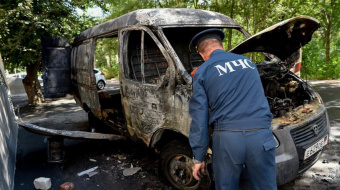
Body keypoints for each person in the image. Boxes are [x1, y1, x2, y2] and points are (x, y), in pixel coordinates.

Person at [188, 28, 278, 190]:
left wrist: (198, 157)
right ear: (222, 46)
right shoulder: (248, 63)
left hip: (228, 141)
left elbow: (199, 119)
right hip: (261, 138)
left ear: (202, 55)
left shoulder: (202, 72)